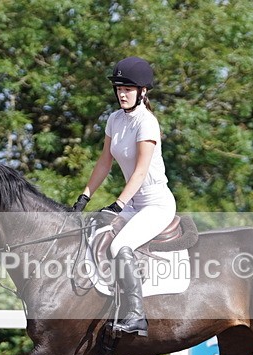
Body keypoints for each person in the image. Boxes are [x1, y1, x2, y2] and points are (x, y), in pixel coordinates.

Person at [72, 56, 176, 337]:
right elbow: (104, 162)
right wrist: (84, 197)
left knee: (120, 246)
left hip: (156, 204)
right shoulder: (115, 120)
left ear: (143, 91)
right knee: (93, 233)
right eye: (119, 88)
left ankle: (136, 315)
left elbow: (140, 172)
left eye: (128, 89)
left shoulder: (147, 123)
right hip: (133, 203)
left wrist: (117, 205)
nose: (121, 93)